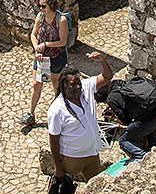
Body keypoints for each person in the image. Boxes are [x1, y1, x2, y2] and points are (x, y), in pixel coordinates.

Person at [48, 53, 114, 184]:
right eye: (73, 85)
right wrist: (58, 167)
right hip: (71, 158)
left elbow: (107, 77)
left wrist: (102, 60)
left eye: (78, 83)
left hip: (92, 155)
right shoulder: (57, 109)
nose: (78, 87)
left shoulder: (86, 88)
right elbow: (53, 140)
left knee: (97, 187)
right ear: (64, 86)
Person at [21, 0, 70, 127]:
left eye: (43, 6)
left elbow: (62, 41)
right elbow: (33, 35)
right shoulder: (40, 17)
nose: (41, 9)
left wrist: (46, 45)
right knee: (37, 84)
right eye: (39, 6)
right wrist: (37, 48)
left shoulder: (61, 20)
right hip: (42, 57)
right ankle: (31, 114)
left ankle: (60, 113)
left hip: (56, 57)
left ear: (51, 5)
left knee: (56, 85)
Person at [97, 75, 156, 159]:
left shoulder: (111, 98)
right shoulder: (118, 83)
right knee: (148, 123)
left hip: (152, 118)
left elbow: (126, 121)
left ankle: (146, 157)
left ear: (105, 98)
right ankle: (155, 146)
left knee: (123, 140)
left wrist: (116, 119)